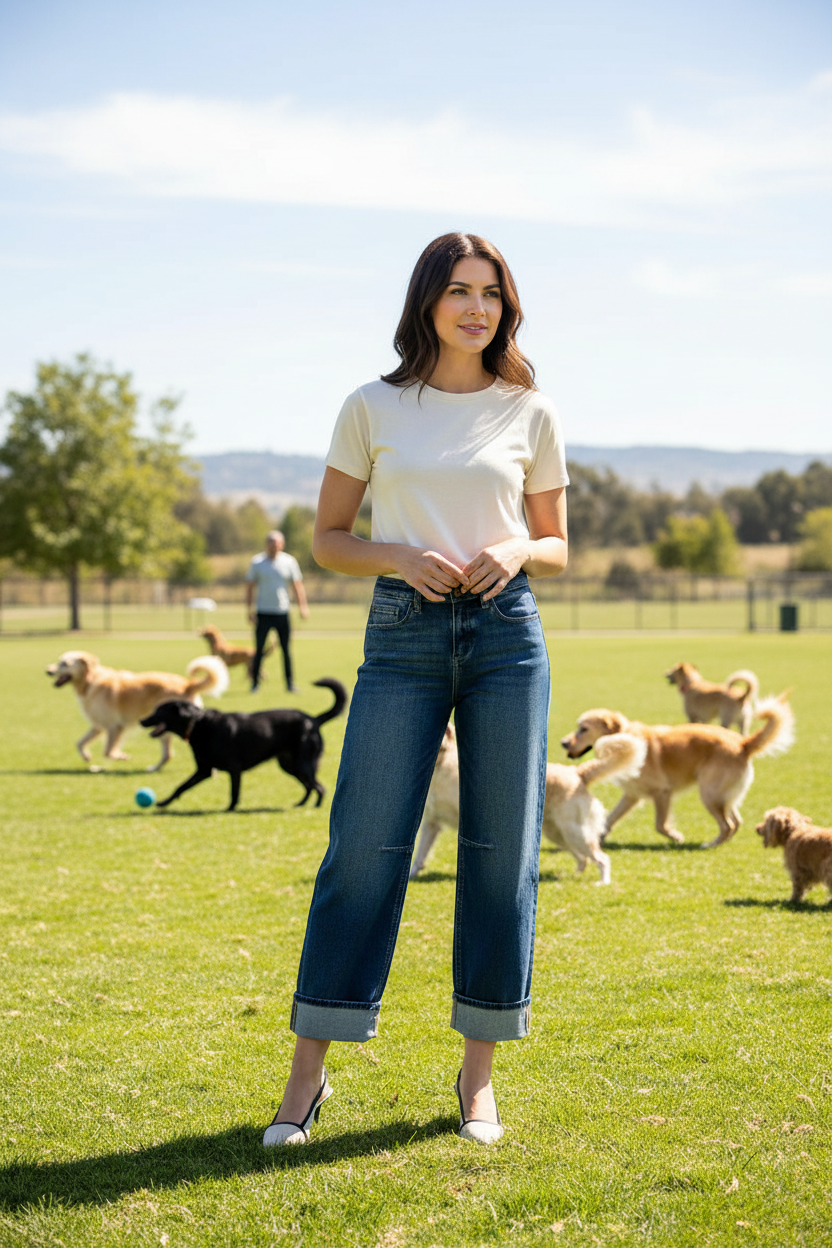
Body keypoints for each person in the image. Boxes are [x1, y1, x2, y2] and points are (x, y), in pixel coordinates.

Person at [263, 233, 569, 1149]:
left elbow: (557, 545)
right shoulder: (372, 404)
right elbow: (327, 536)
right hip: (402, 635)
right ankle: (305, 1083)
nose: (476, 308)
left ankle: (477, 1083)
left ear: (504, 307)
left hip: (507, 637)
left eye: (490, 293)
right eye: (458, 291)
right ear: (427, 301)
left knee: (499, 853)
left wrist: (517, 548)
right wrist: (395, 554)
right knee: (363, 849)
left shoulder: (531, 410)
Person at [245, 530, 309, 692]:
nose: (274, 546)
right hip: (263, 612)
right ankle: (255, 684)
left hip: (282, 612)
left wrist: (303, 606)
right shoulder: (257, 562)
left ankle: (290, 684)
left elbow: (297, 585)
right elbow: (250, 587)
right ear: (267, 544)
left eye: (277, 543)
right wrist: (249, 609)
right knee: (259, 650)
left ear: (282, 544)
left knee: (286, 650)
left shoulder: (289, 561)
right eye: (271, 543)